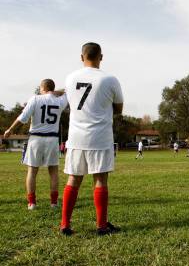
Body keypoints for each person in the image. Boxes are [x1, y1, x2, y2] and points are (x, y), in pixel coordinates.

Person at [60, 42, 124, 236]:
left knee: (73, 179)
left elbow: (70, 102)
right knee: (100, 180)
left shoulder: (70, 78)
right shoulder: (110, 79)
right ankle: (101, 226)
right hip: (100, 136)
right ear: (101, 57)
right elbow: (119, 109)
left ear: (81, 57)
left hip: (76, 137)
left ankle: (65, 224)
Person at [3, 79, 68, 210]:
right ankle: (54, 203)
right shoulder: (60, 101)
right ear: (52, 88)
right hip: (52, 139)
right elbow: (67, 91)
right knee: (53, 172)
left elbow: (23, 117)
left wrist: (10, 129)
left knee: (32, 171)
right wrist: (54, 91)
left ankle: (32, 203)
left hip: (36, 139)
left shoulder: (35, 99)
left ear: (42, 88)